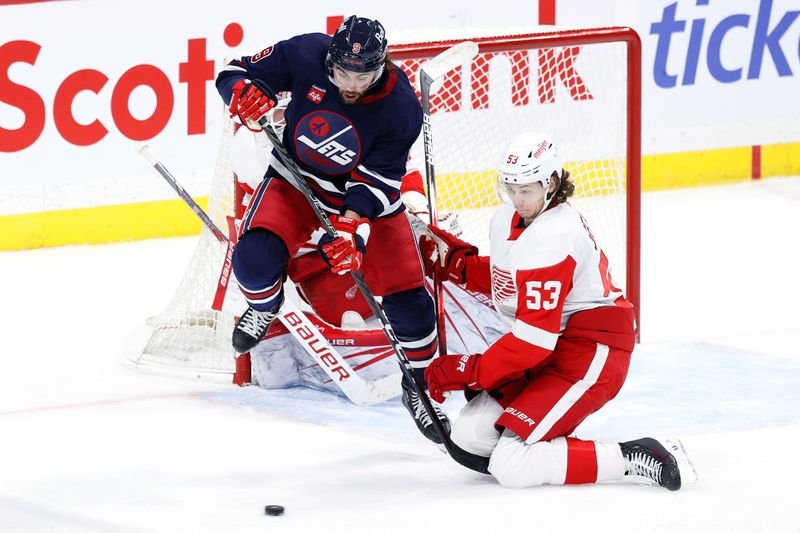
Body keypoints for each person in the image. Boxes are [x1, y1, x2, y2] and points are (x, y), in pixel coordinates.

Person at [215, 15, 449, 443]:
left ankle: (418, 386)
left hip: (362, 203)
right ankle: (266, 307)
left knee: (412, 306)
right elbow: (233, 71)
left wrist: (351, 229)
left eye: (365, 75)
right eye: (343, 72)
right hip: (294, 179)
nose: (352, 85)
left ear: (383, 66)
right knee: (252, 263)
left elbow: (377, 183)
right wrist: (244, 93)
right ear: (331, 59)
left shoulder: (402, 107)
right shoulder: (305, 52)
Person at [421, 132, 696, 490]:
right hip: (550, 344)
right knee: (470, 436)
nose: (517, 200)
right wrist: (457, 265)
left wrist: (469, 370)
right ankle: (542, 430)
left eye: (527, 190)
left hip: (592, 351)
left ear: (551, 182)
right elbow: (511, 279)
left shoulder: (555, 235)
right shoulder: (510, 218)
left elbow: (532, 340)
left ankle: (632, 455)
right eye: (511, 189)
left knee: (512, 465)